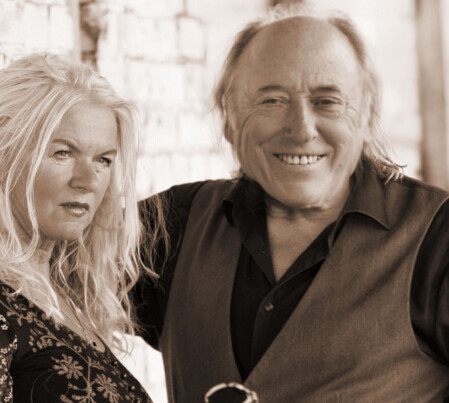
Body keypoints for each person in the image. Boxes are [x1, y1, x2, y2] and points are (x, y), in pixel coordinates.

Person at [134, 4, 449, 403]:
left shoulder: (437, 239)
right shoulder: (173, 225)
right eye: (271, 100)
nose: (301, 130)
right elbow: (55, 289)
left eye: (327, 101)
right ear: (228, 117)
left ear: (368, 116)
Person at [0, 53, 163, 402]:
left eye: (103, 160)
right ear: (5, 153)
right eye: (63, 153)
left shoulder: (68, 295)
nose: (88, 181)